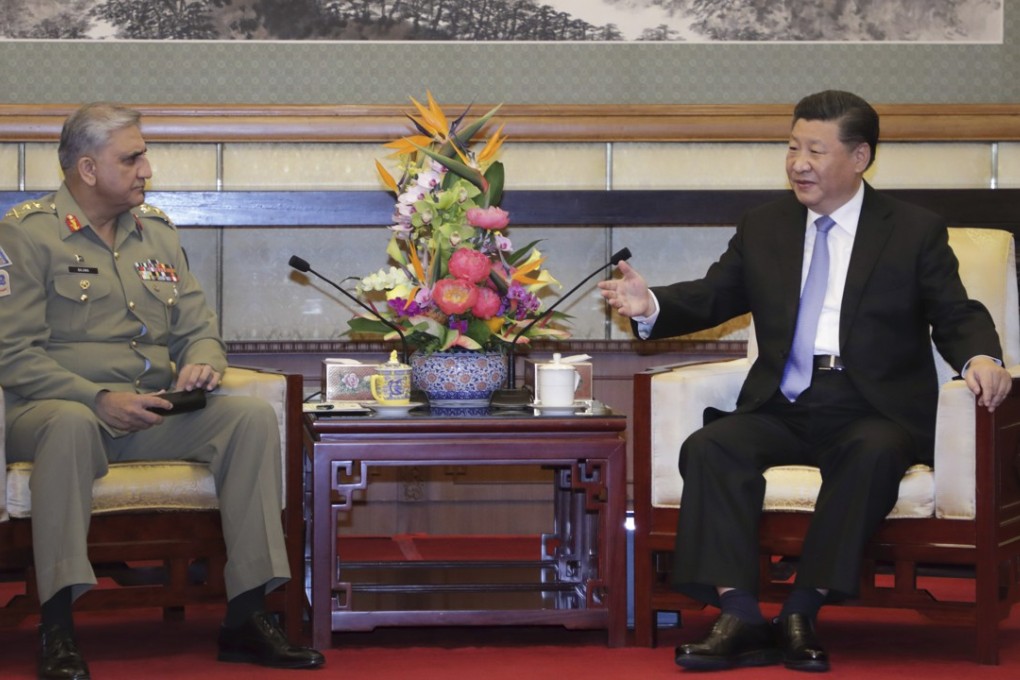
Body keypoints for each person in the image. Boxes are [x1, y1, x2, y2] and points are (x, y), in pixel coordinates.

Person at [598, 90, 1012, 673]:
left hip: (872, 408)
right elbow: (717, 294)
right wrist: (651, 304)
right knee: (710, 448)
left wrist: (979, 358)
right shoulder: (766, 225)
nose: (799, 163)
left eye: (816, 150)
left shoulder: (912, 230)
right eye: (792, 148)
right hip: (785, 401)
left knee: (873, 453)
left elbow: (955, 310)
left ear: (860, 156)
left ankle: (801, 611)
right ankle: (739, 613)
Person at [0, 103, 325, 679]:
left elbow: (199, 328)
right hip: (55, 413)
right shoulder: (27, 235)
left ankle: (248, 616)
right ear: (88, 168)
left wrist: (202, 362)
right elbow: (12, 354)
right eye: (132, 157)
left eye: (144, 154)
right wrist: (97, 399)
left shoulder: (158, 235)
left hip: (148, 411)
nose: (147, 168)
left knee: (247, 421)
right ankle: (58, 628)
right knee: (71, 425)